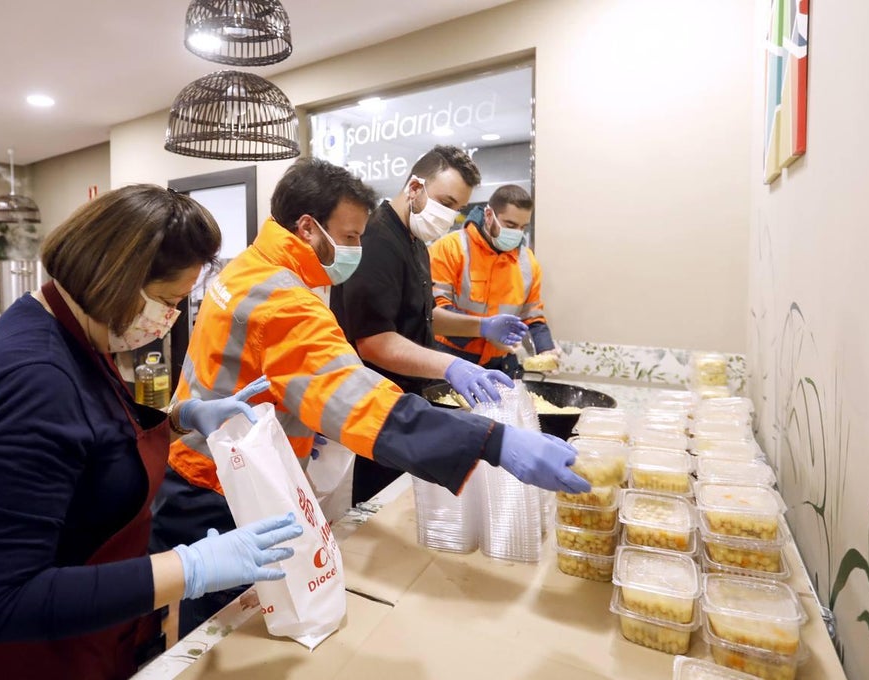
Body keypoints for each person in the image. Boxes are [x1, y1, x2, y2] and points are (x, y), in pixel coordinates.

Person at [151, 158, 590, 638]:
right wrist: (495, 442)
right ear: (308, 228)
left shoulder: (251, 266)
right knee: (219, 634)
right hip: (220, 486)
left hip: (197, 464)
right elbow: (361, 401)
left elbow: (263, 368)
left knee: (214, 616)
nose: (356, 250)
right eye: (351, 236)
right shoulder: (282, 298)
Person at [0, 186, 303, 680]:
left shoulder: (64, 323)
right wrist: (192, 567)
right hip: (27, 652)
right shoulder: (33, 382)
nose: (170, 319)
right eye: (167, 301)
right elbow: (5, 600)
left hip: (83, 631)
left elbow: (88, 440)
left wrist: (179, 420)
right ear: (117, 280)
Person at [330, 145, 529, 503]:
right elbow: (374, 342)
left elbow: (423, 315)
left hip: (405, 401)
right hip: (372, 407)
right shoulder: (375, 239)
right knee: (372, 507)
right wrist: (451, 365)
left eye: (457, 208)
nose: (450, 216)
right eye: (445, 202)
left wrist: (481, 327)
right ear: (415, 187)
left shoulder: (416, 241)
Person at [430, 184, 558, 377]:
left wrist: (546, 349)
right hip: (453, 358)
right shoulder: (449, 248)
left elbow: (533, 315)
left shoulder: (528, 261)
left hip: (503, 363)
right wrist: (486, 333)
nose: (517, 233)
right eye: (510, 225)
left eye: (523, 227)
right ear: (489, 215)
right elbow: (435, 311)